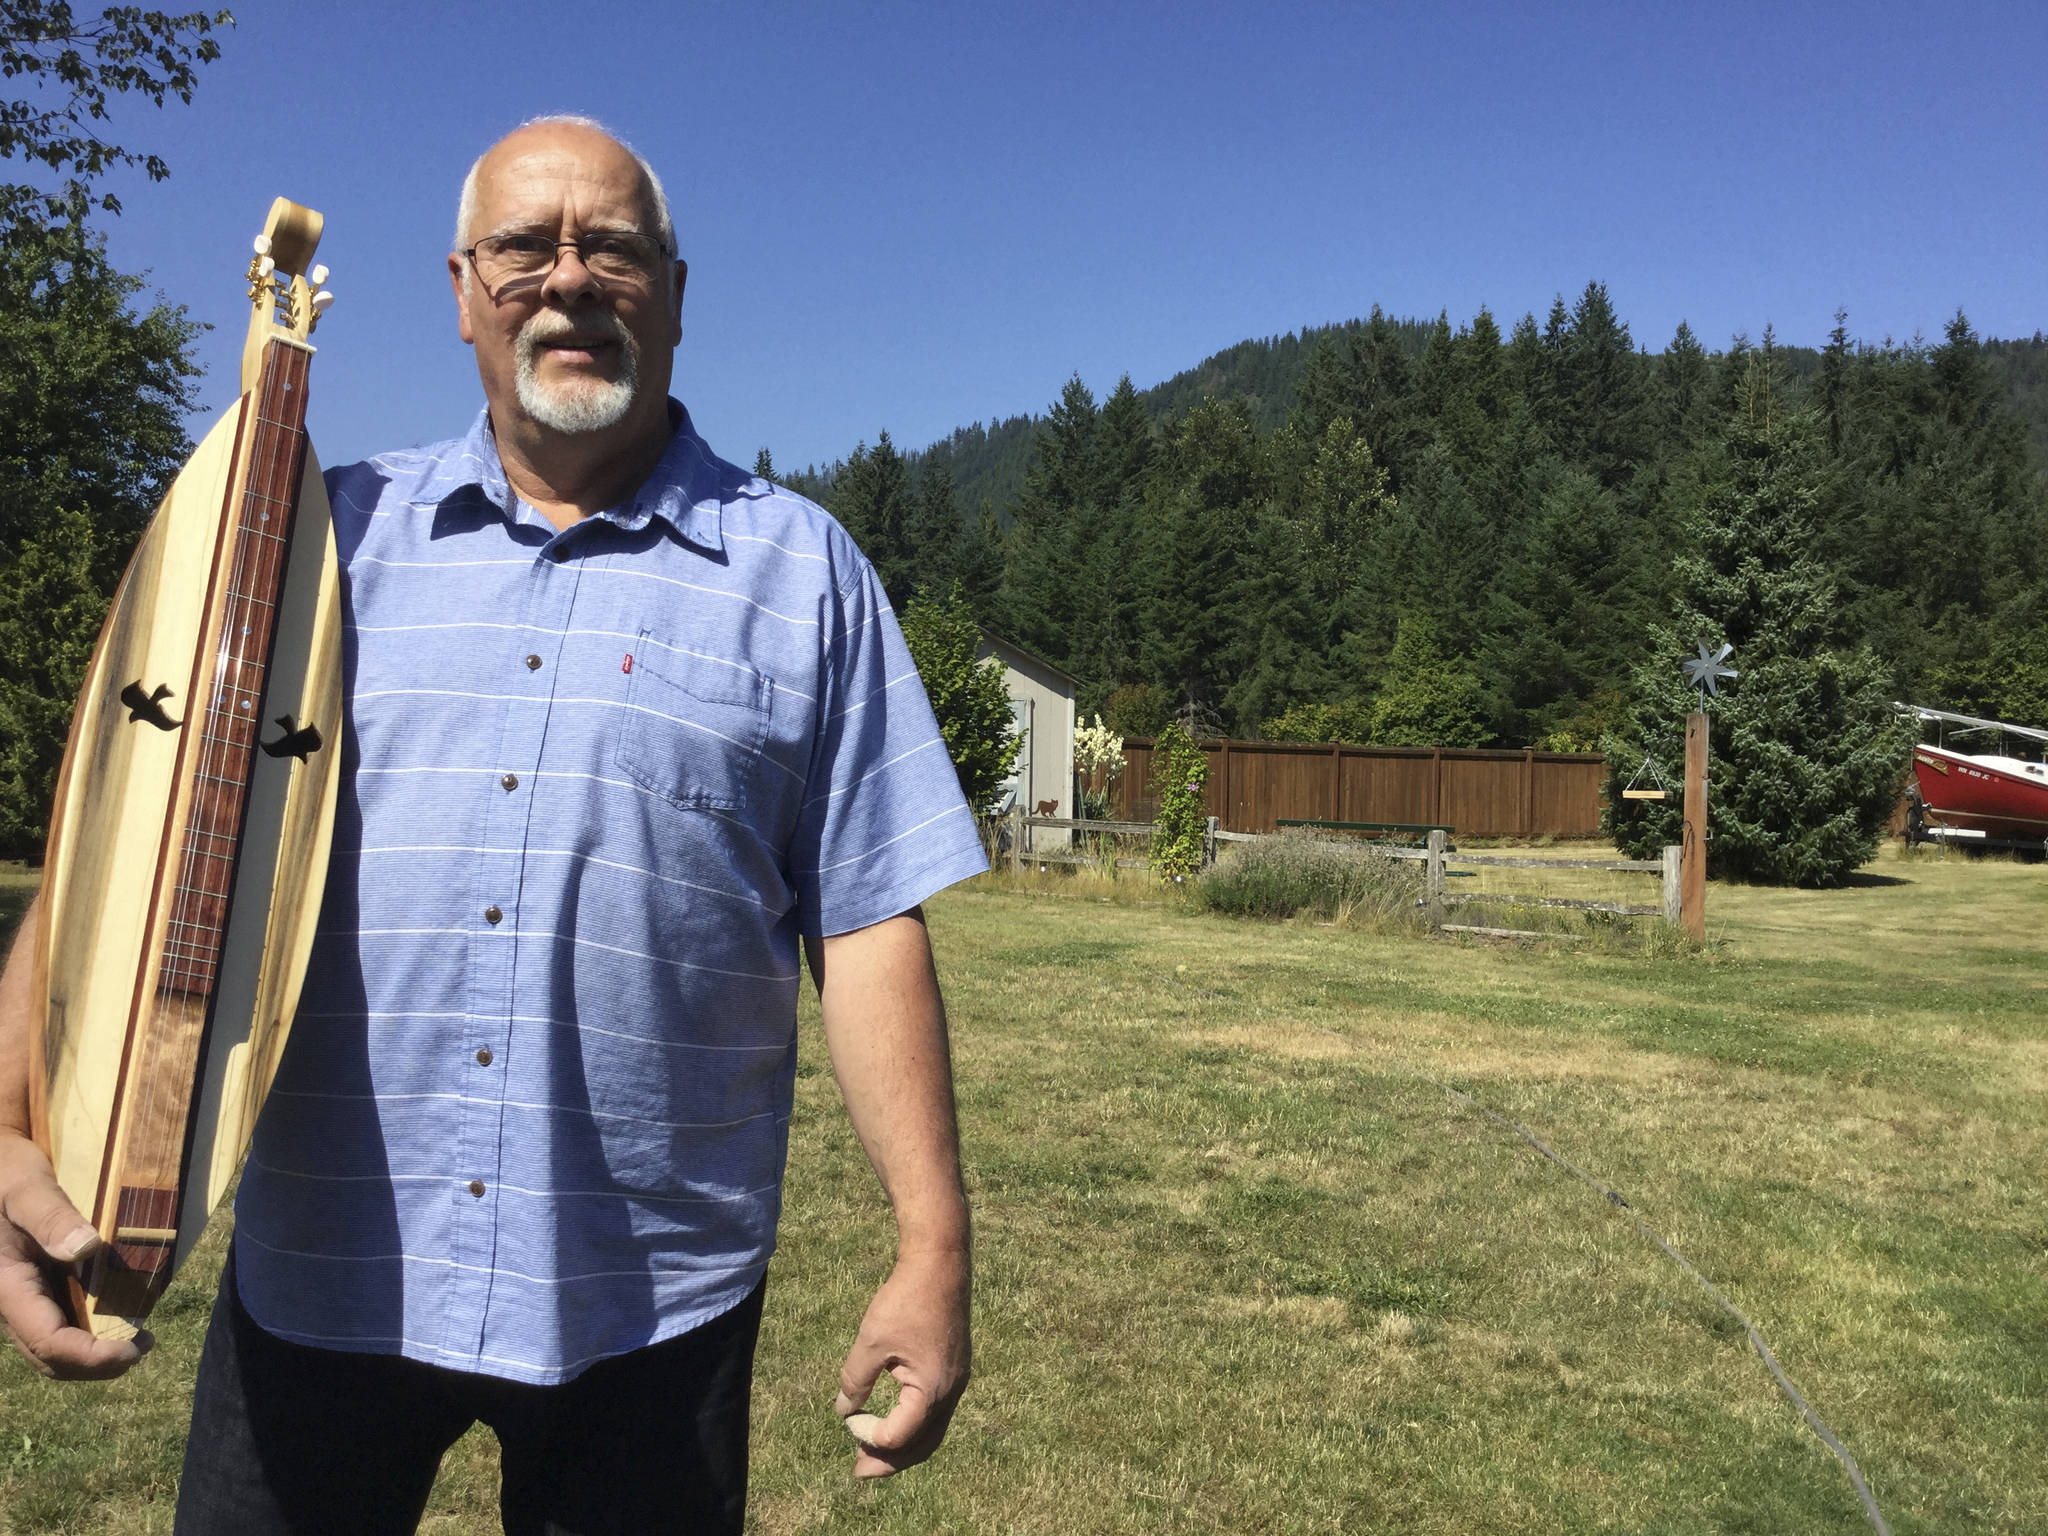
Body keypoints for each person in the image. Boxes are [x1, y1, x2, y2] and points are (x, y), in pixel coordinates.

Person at [0, 115, 988, 1534]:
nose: (570, 278)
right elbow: (134, 826)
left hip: (649, 1298)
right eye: (525, 245)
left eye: (615, 248)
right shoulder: (318, 543)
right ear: (463, 289)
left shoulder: (802, 573)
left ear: (678, 293)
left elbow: (869, 915)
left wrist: (931, 1245)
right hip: (324, 1278)